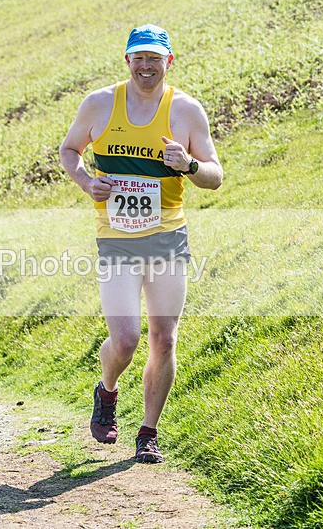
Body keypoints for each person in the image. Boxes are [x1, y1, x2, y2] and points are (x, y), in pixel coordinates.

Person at [59, 24, 223, 463]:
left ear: (169, 61)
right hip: (117, 239)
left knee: (164, 339)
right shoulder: (99, 104)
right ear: (127, 60)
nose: (146, 66)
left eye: (155, 58)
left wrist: (189, 165)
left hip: (168, 237)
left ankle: (148, 432)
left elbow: (215, 176)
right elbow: (69, 150)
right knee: (127, 339)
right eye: (139, 58)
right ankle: (107, 390)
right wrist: (86, 182)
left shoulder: (186, 111)